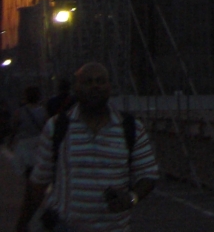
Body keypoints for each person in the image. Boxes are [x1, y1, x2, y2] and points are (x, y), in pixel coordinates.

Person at [17, 63, 159, 232]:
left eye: (100, 81)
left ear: (109, 87)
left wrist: (131, 198)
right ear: (76, 88)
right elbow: (39, 182)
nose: (95, 86)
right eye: (87, 82)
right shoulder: (57, 127)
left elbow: (148, 174)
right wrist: (22, 223)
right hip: (65, 226)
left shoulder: (132, 128)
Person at [10, 87, 46, 177]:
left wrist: (12, 139)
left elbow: (14, 127)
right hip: (38, 143)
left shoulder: (19, 112)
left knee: (26, 169)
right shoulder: (43, 112)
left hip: (24, 144)